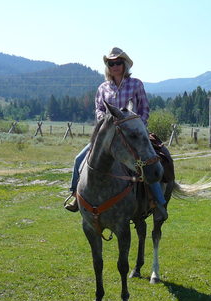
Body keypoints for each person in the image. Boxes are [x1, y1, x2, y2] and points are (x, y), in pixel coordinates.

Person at [64, 47, 168, 220]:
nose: (115, 66)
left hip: (133, 137)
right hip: (107, 137)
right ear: (108, 66)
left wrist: (136, 128)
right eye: (111, 63)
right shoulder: (103, 88)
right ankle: (76, 195)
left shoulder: (136, 84)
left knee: (149, 162)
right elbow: (98, 109)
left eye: (118, 62)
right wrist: (103, 121)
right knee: (78, 159)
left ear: (125, 64)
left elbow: (144, 108)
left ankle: (159, 202)